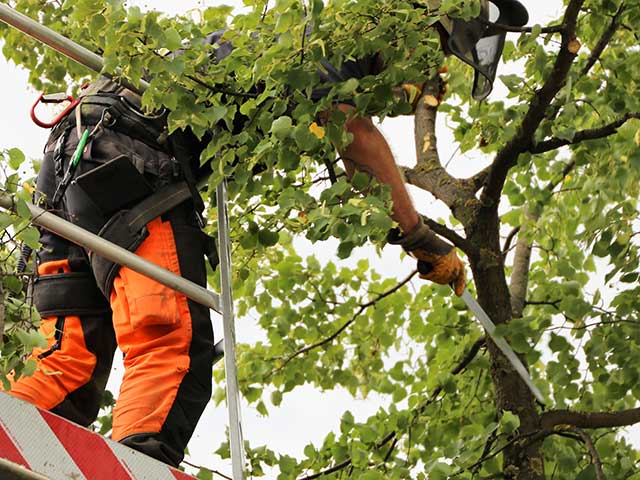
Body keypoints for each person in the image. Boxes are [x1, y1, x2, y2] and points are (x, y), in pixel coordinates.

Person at [4, 0, 528, 467]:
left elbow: (356, 159)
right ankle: (141, 465)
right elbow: (355, 134)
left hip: (76, 151)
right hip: (132, 155)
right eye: (431, 54)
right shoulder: (334, 28)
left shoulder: (275, 36)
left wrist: (401, 226)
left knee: (70, 352)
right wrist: (417, 235)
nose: (418, 78)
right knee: (171, 340)